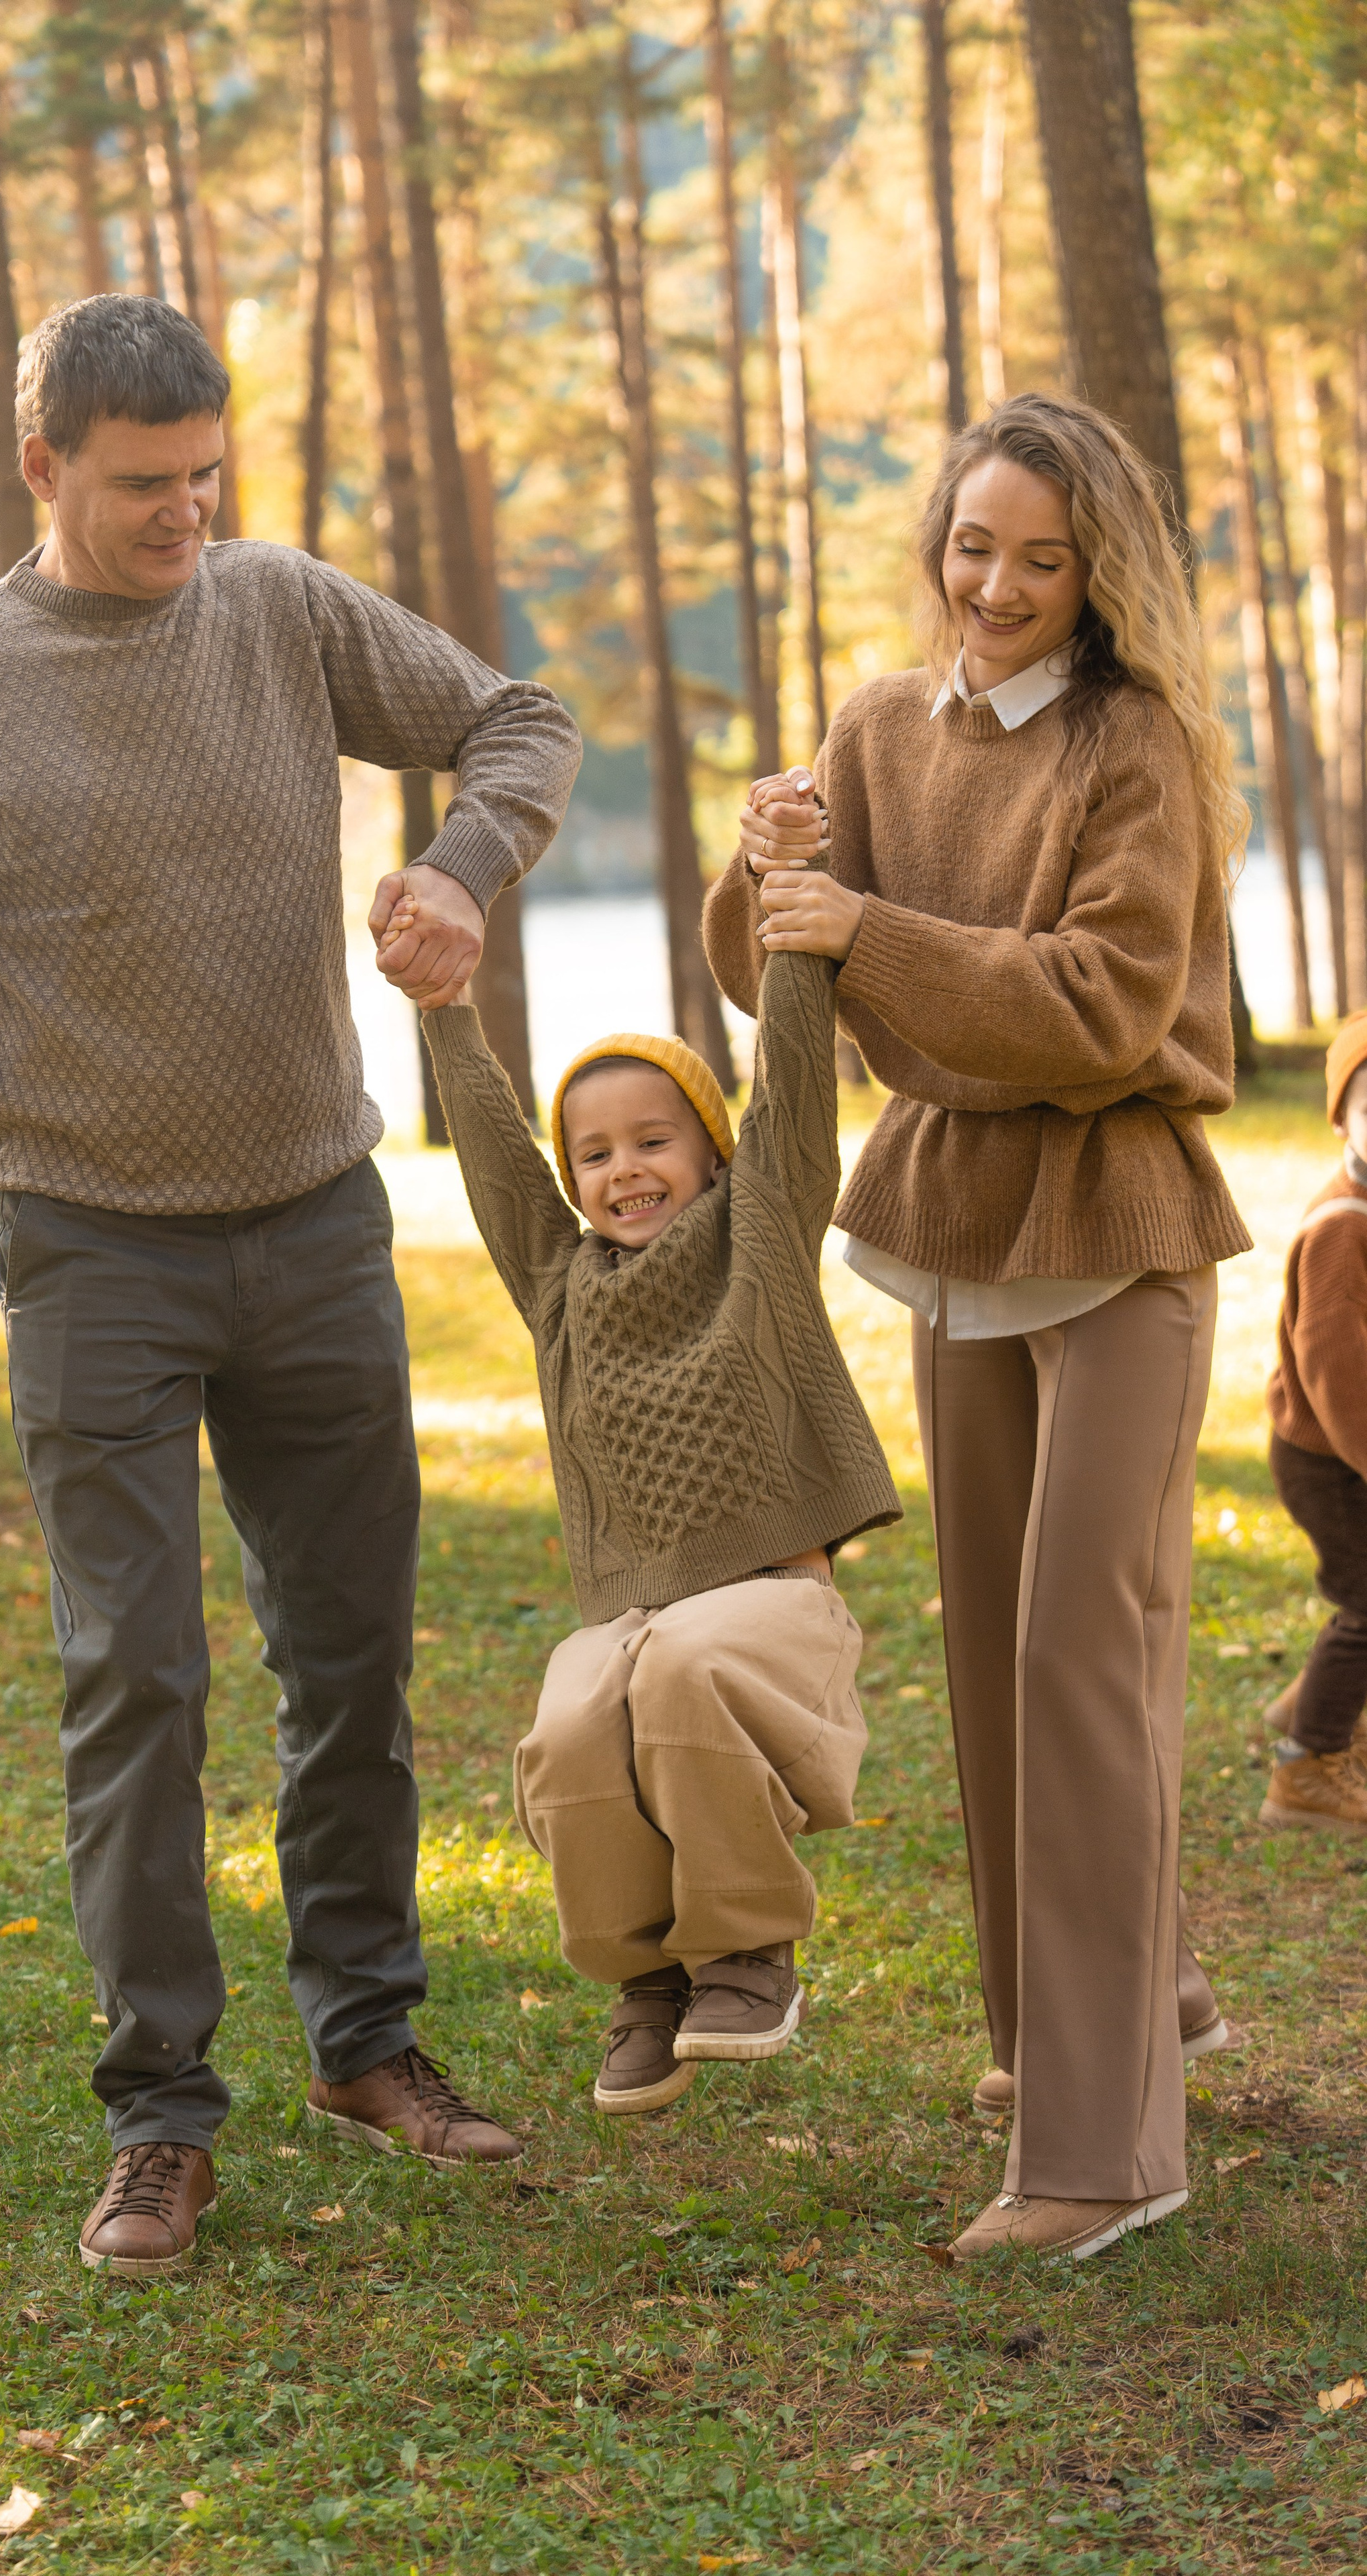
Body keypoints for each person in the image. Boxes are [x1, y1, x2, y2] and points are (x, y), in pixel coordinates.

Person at [0, 294, 582, 2274]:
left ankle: (367, 2036)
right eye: (145, 483)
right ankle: (158, 2112)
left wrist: (464, 867)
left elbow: (520, 717)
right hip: (89, 1254)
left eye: (207, 472)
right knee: (133, 1682)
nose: (185, 513)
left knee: (352, 1662)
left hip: (312, 1222)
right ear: (42, 463)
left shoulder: (283, 608)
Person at [704, 392, 1252, 2263]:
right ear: (936, 538)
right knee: (999, 1665)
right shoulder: (881, 724)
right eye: (973, 544)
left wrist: (861, 924)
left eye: (1040, 556)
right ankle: (1096, 2019)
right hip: (957, 1237)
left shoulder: (1139, 748)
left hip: (1118, 1237)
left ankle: (1112, 2157)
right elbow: (778, 959)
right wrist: (759, 861)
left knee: (1087, 1669)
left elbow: (1103, 1009)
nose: (998, 584)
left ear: (1097, 572)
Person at [385, 865, 900, 2114]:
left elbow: (788, 1073)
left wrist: (786, 911)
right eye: (597, 1152)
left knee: (678, 1678)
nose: (625, 1169)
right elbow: (499, 1157)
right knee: (566, 1729)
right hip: (635, 1617)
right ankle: (648, 1984)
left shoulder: (760, 1226)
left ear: (712, 1151)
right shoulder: (559, 1284)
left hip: (774, 1602)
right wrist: (446, 1010)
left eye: (654, 1142)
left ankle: (747, 1952)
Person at [1262, 1013, 1367, 1832]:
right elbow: (1336, 1374)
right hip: (1333, 1454)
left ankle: (1311, 1697)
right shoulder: (1341, 1229)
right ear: (1340, 1117)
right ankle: (1306, 1772)